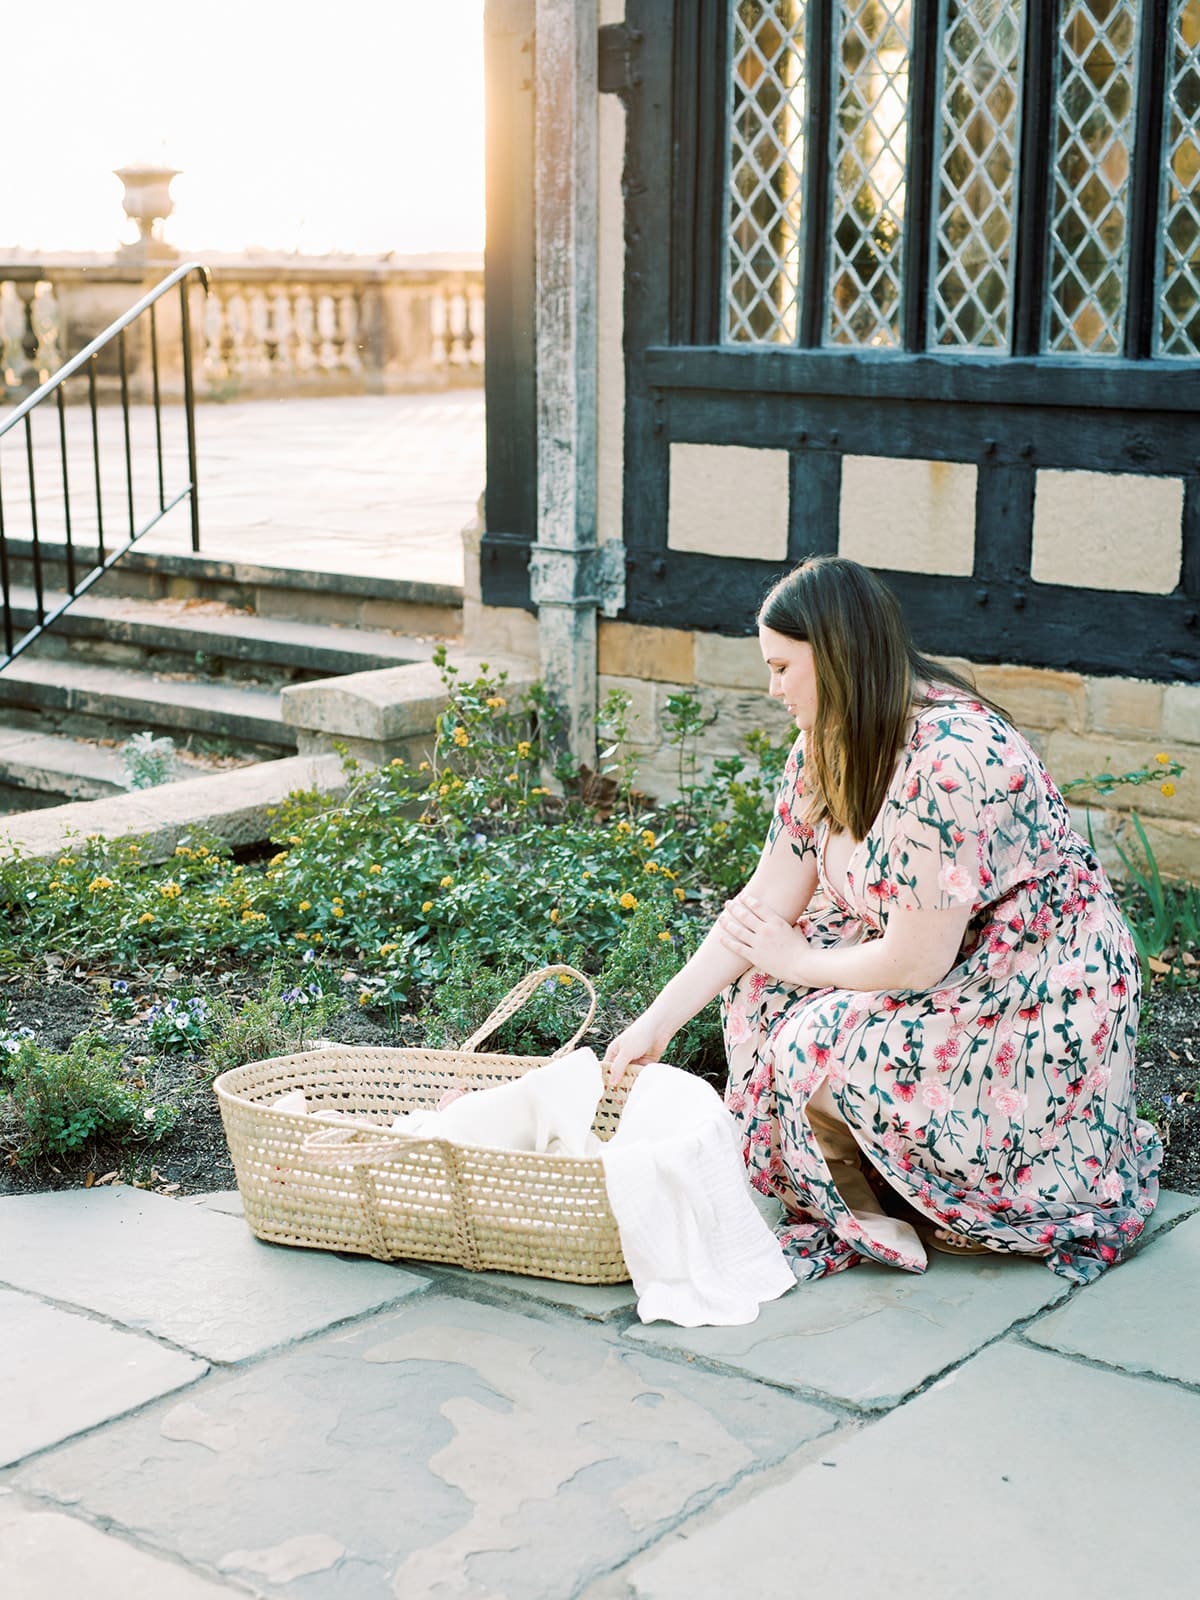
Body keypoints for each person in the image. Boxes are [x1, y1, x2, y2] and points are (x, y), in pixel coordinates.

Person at [603, 555, 1161, 1285]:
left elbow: (915, 961)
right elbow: (763, 908)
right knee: (761, 998)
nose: (771, 689)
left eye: (781, 667)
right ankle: (873, 1192)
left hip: (1039, 979)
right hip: (952, 953)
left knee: (811, 1037)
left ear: (835, 658)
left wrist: (802, 963)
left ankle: (923, 1196)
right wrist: (658, 1022)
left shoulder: (954, 759)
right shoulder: (827, 742)